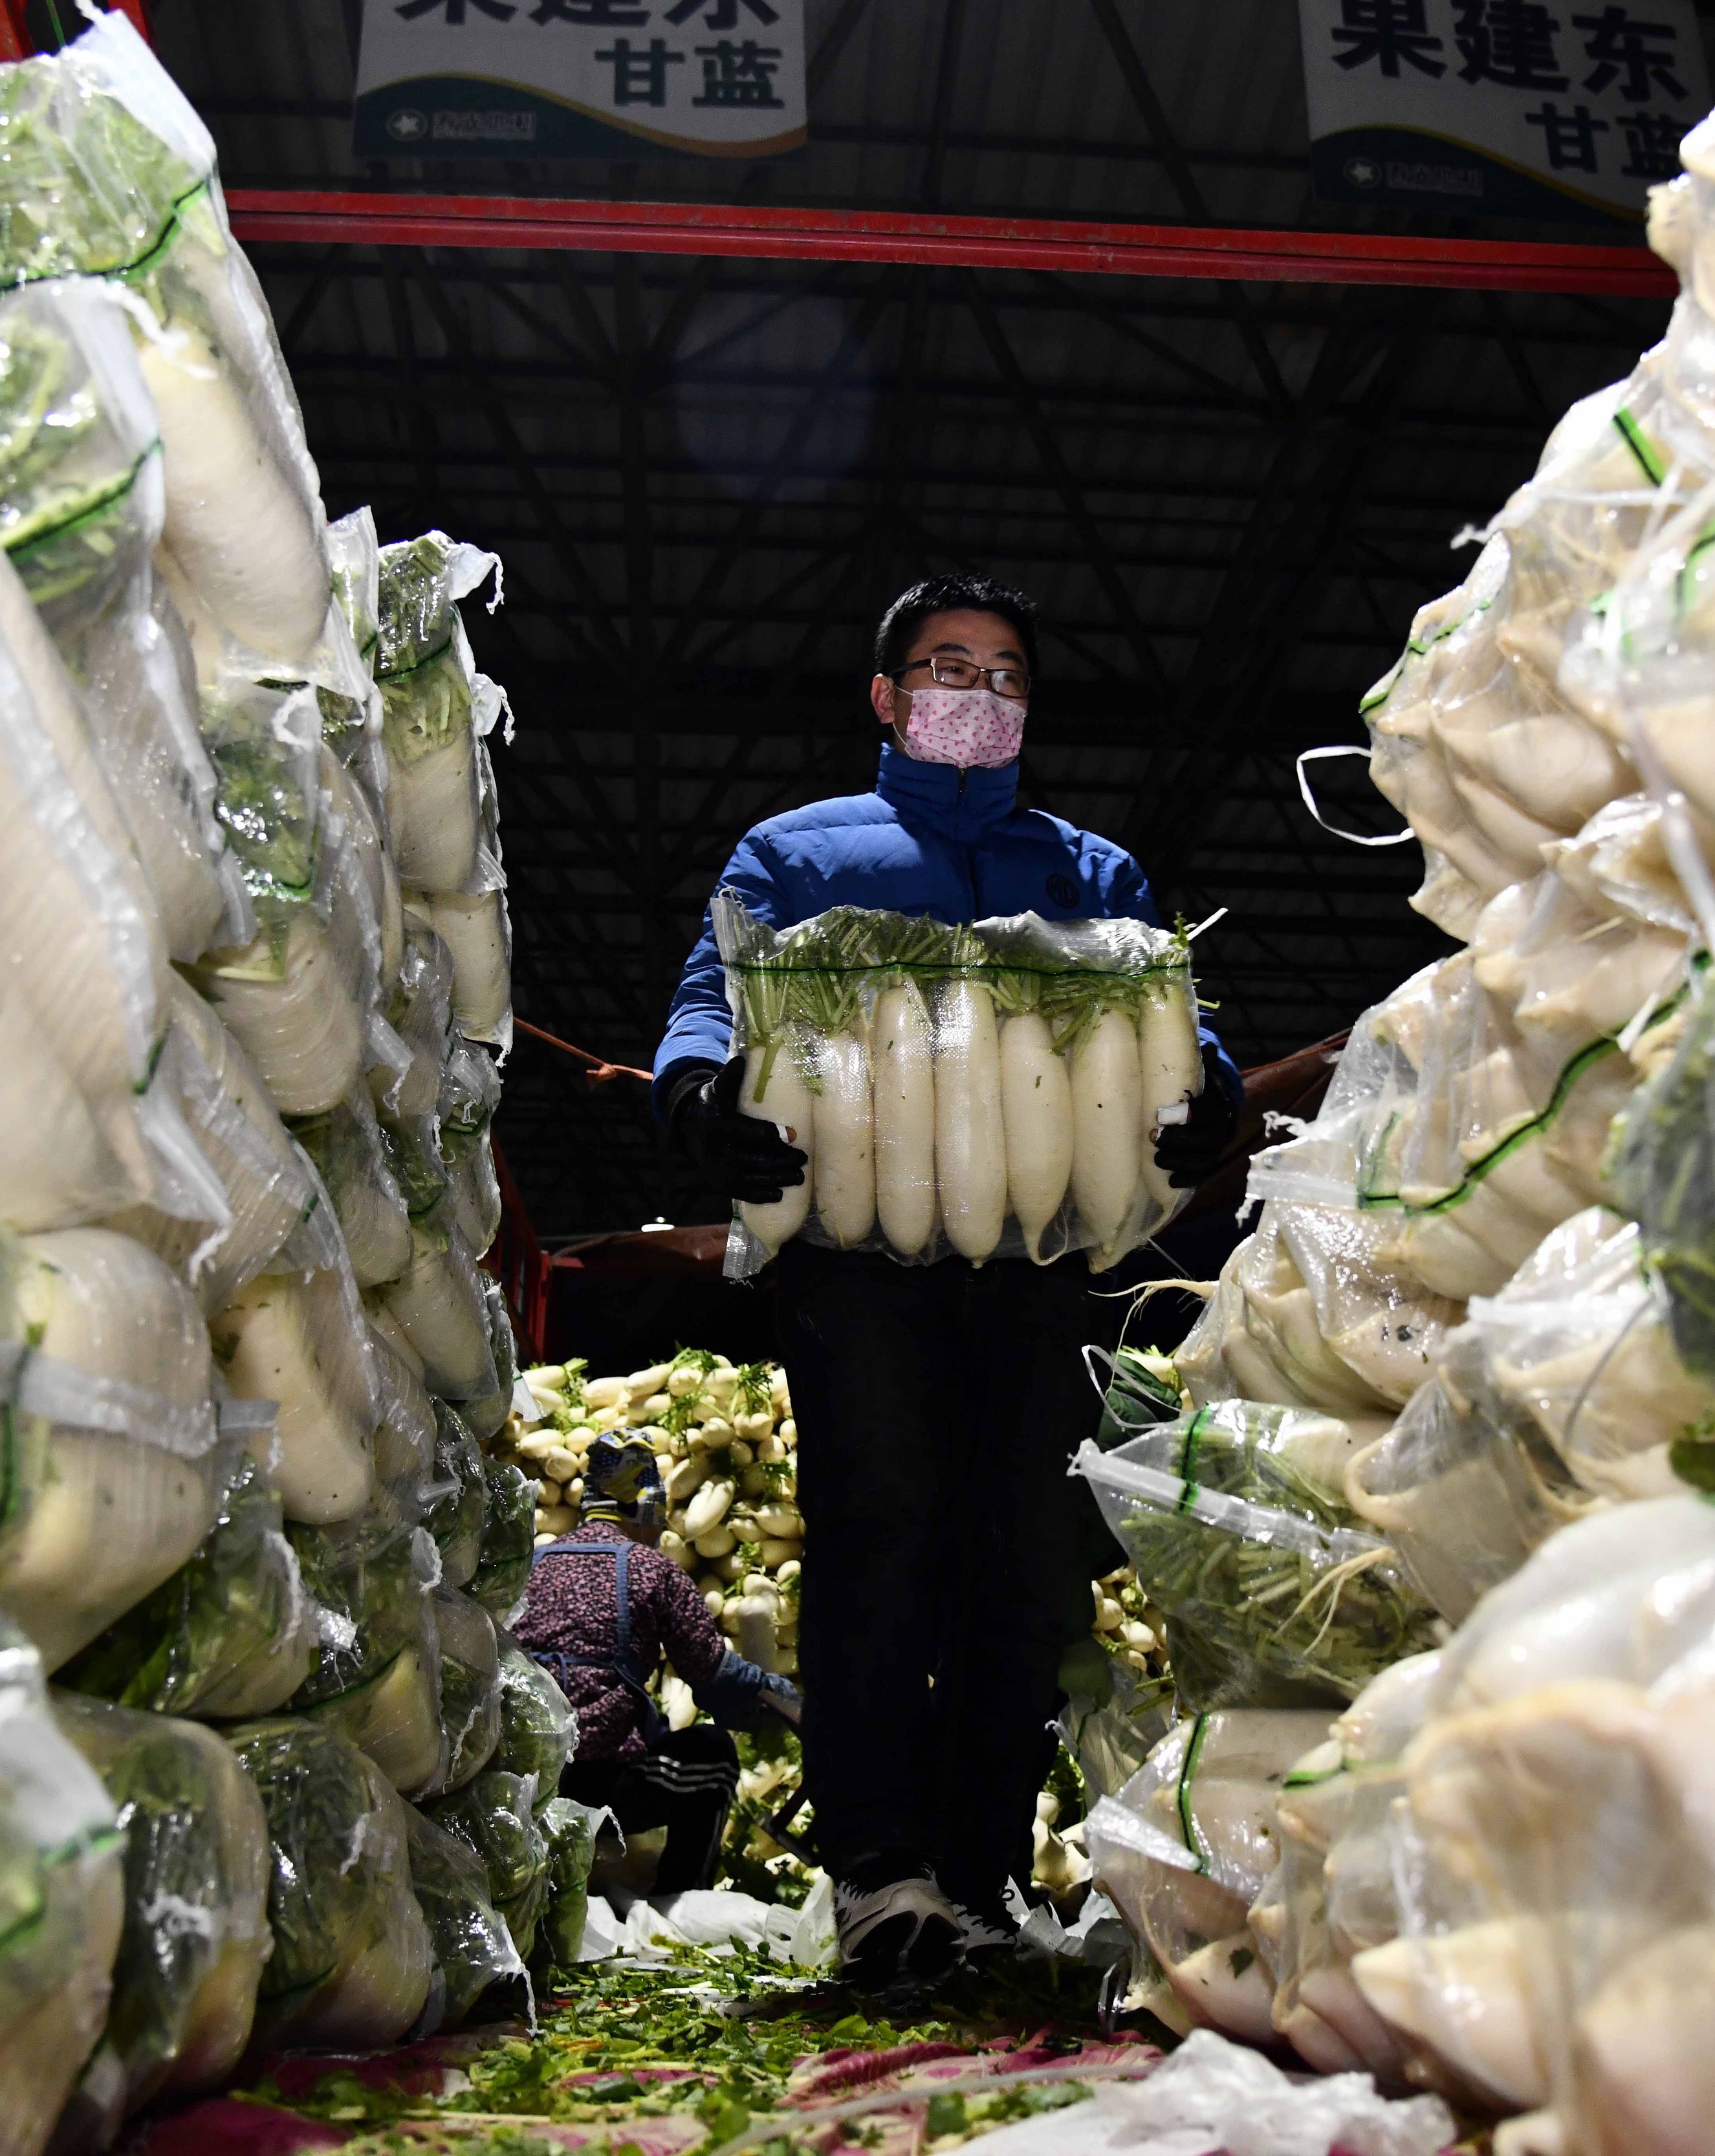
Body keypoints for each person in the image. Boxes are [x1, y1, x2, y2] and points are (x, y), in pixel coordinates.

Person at [652, 573, 1243, 1988]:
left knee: (1023, 1564)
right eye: (943, 666)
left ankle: (974, 1876)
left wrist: (1211, 1094)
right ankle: (876, 1869)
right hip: (856, 1257)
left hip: (1032, 1262)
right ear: (886, 695)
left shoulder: (1087, 870)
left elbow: (1168, 1017)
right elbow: (703, 993)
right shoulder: (795, 855)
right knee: (881, 1533)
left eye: (1002, 674)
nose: (973, 693)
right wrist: (692, 1092)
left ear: (1028, 703)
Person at [514, 1436, 803, 1900]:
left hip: (524, 1778)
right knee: (712, 1756)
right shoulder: (653, 1570)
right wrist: (786, 1702)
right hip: (593, 1782)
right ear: (645, 1505)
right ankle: (682, 1896)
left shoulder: (534, 1562)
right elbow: (717, 1680)